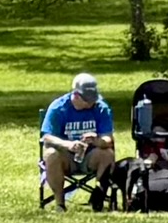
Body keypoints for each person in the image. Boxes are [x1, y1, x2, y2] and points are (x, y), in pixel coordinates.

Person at [41, 71, 115, 210]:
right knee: (51, 154)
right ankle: (60, 204)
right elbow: (47, 137)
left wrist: (96, 140)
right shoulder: (58, 107)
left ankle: (98, 199)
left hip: (90, 155)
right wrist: (68, 145)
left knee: (107, 154)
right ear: (76, 96)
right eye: (88, 100)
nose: (92, 102)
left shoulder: (101, 108)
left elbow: (108, 138)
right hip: (66, 156)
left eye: (93, 99)